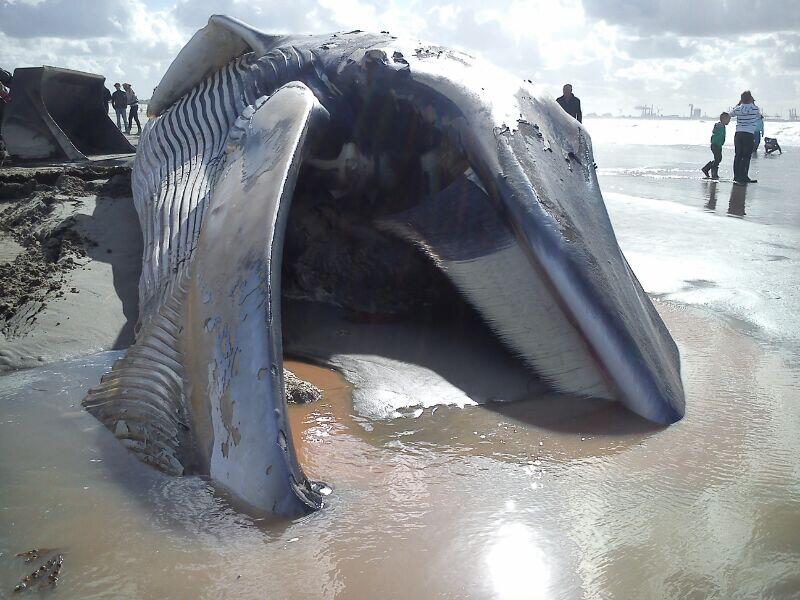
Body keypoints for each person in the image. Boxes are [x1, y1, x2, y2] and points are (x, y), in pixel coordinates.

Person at [728, 90, 761, 184]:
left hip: (738, 134)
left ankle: (736, 176)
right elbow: (759, 116)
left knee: (738, 155)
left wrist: (739, 104)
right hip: (749, 134)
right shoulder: (755, 109)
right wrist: (752, 102)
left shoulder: (738, 109)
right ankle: (744, 176)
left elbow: (730, 114)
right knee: (746, 156)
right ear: (751, 98)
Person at [701, 112, 730, 180]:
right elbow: (716, 132)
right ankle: (712, 172)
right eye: (728, 119)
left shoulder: (722, 126)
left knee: (718, 159)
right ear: (723, 119)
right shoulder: (719, 125)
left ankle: (706, 169)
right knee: (718, 159)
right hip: (715, 145)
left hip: (718, 145)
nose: (729, 121)